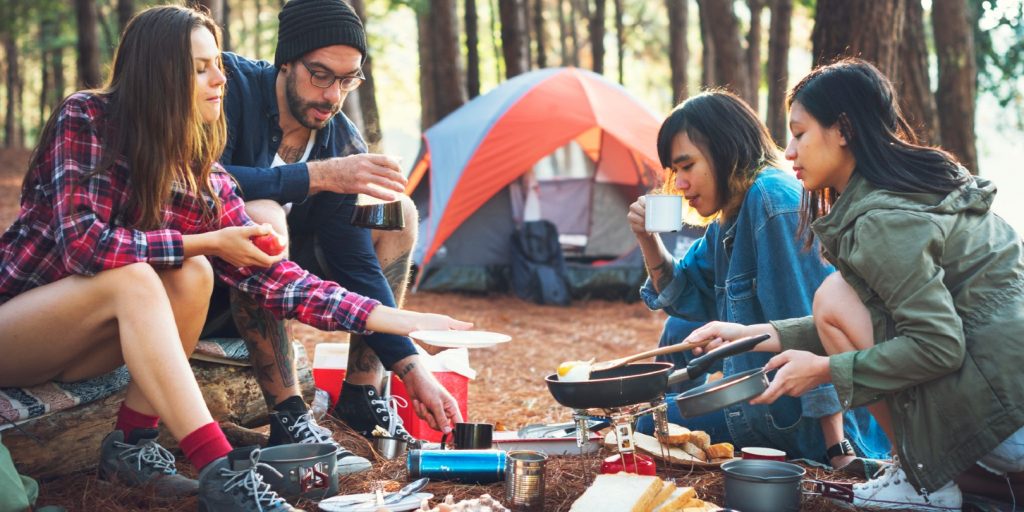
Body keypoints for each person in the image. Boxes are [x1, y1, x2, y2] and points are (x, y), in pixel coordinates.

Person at [0, 6, 467, 511]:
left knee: (191, 274)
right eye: (201, 67)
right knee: (138, 277)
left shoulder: (193, 157)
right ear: (159, 72)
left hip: (89, 343)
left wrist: (400, 322)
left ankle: (130, 447)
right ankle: (222, 473)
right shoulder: (88, 116)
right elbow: (86, 246)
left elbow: (274, 277)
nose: (220, 77)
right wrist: (208, 242)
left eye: (216, 65)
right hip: (21, 328)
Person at [683, 59, 1024, 510]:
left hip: (1007, 418)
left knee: (834, 296)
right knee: (838, 297)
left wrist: (823, 371)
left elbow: (939, 345)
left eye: (799, 133)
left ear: (842, 129)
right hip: (1005, 399)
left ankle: (925, 482)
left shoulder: (884, 220)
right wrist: (748, 336)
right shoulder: (906, 192)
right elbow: (871, 317)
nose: (788, 152)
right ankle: (928, 475)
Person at [204, 0, 447, 467]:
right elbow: (200, 180)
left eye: (348, 79)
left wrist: (410, 366)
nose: (332, 95)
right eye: (320, 75)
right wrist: (317, 176)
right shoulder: (229, 90)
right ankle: (289, 414)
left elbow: (357, 262)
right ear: (286, 61)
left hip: (291, 288)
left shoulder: (338, 136)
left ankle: (361, 392)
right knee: (264, 216)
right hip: (203, 281)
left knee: (398, 213)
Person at [627, 91, 889, 468]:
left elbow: (816, 326)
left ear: (725, 150)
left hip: (797, 419)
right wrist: (648, 240)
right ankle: (664, 408)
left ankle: (659, 414)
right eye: (675, 172)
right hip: (764, 397)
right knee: (677, 328)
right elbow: (682, 294)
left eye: (688, 166)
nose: (680, 184)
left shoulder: (771, 201)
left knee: (639, 423)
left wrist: (837, 450)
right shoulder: (731, 215)